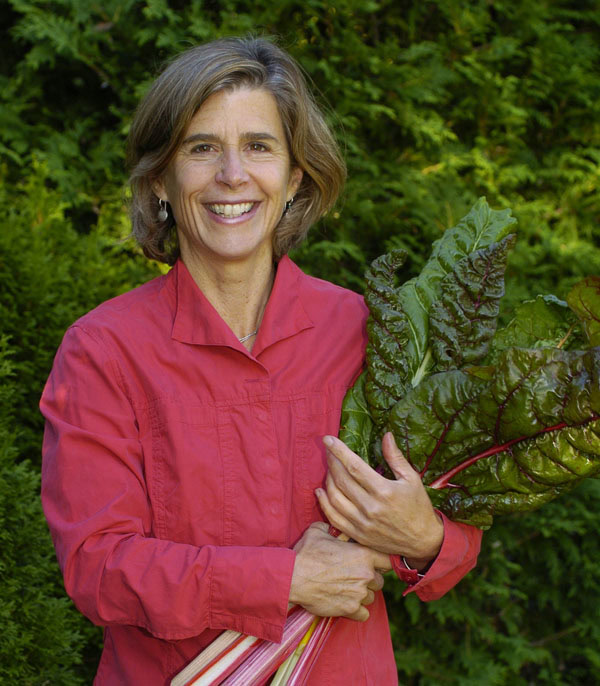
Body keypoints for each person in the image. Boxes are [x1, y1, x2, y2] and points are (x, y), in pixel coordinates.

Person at [40, 36, 482, 685]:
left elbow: (452, 536)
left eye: (259, 146)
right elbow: (97, 568)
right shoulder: (103, 351)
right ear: (161, 177)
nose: (232, 175)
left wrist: (424, 537)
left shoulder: (367, 331)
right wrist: (285, 580)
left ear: (296, 174)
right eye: (201, 148)